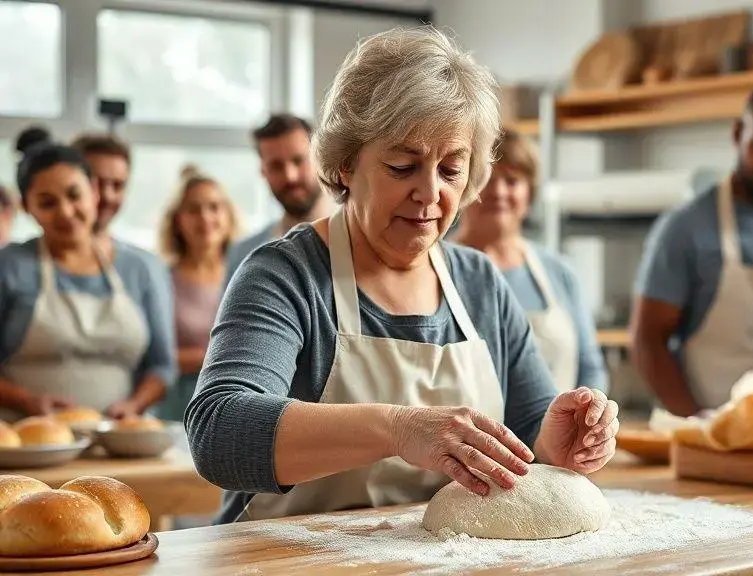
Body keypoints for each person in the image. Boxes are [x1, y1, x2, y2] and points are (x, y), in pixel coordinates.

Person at [185, 26, 619, 524]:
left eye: (451, 170)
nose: (430, 194)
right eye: (402, 166)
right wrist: (398, 429)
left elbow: (528, 438)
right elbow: (218, 432)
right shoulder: (286, 275)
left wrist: (561, 445)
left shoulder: (479, 283)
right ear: (346, 164)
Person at [629, 84, 753, 416]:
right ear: (738, 134)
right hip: (714, 426)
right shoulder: (685, 229)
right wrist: (695, 421)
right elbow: (648, 341)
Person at [0, 134, 176, 422]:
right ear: (26, 207)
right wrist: (27, 401)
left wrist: (133, 405)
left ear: (93, 191)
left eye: (74, 195)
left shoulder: (143, 269)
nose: (66, 213)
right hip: (25, 441)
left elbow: (162, 368)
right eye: (47, 203)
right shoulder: (8, 266)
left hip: (120, 442)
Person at [452, 131, 608, 394]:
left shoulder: (558, 271)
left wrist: (588, 419)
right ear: (464, 186)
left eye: (512, 181)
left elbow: (590, 367)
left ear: (529, 194)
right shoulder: (436, 267)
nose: (499, 192)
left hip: (563, 432)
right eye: (487, 179)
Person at [157, 165, 239, 422]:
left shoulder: (247, 273)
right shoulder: (161, 278)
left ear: (228, 215)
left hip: (238, 403)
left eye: (214, 207)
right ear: (178, 219)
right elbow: (153, 357)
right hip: (178, 406)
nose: (205, 218)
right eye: (193, 209)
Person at [224, 114, 335, 281]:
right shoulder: (242, 255)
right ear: (263, 171)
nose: (290, 176)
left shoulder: (362, 241)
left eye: (298, 160)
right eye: (276, 166)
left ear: (321, 159)